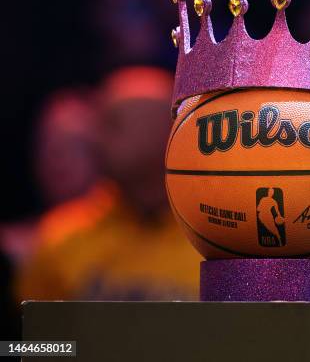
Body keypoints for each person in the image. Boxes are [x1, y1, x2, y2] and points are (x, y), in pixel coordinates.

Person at [17, 66, 200, 301]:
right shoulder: (61, 236)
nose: (94, 139)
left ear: (165, 131)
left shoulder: (214, 240)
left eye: (112, 124)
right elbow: (34, 334)